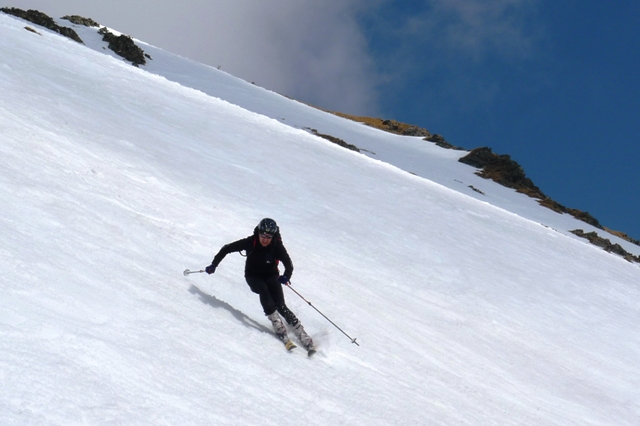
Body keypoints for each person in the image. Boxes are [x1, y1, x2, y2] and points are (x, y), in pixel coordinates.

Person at [205, 218, 314, 352]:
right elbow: (227, 249)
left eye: (269, 237)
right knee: (263, 289)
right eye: (263, 235)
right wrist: (214, 265)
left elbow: (288, 263)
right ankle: (276, 323)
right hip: (253, 277)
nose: (265, 239)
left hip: (271, 276)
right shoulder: (251, 242)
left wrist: (286, 276)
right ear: (259, 233)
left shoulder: (276, 246)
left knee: (281, 305)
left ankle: (300, 332)